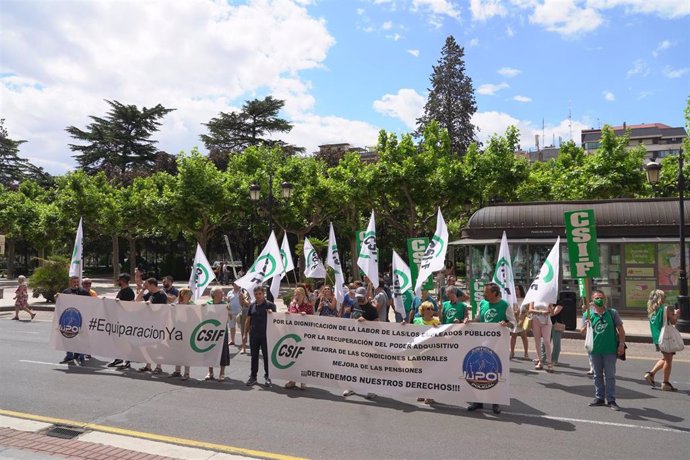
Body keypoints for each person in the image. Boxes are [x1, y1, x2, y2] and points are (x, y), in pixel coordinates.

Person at [466, 282, 515, 414]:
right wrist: (469, 321)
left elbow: (514, 323)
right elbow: (478, 318)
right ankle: (478, 401)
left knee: (495, 372)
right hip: (481, 344)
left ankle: (495, 402)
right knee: (478, 372)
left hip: (497, 345)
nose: (484, 294)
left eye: (486, 292)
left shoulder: (504, 305)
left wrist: (506, 323)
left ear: (494, 293)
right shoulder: (482, 304)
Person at [581, 290, 626, 411]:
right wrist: (586, 325)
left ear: (605, 299)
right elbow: (583, 332)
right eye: (597, 298)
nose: (599, 300)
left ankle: (611, 399)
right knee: (597, 375)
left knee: (610, 375)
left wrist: (621, 344)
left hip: (610, 350)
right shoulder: (587, 314)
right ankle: (599, 397)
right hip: (594, 350)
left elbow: (621, 330)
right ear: (592, 300)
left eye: (601, 297)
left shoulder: (612, 313)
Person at [343, 286, 379, 399]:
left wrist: (366, 321)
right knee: (352, 364)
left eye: (361, 298)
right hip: (354, 339)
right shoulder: (355, 304)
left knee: (367, 365)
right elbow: (350, 313)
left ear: (366, 296)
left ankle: (370, 389)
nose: (359, 300)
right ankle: (351, 387)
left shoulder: (372, 309)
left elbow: (377, 324)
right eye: (358, 297)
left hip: (367, 341)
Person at [644, 289, 681, 391]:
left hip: (657, 339)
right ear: (659, 298)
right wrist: (676, 314)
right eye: (664, 296)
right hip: (666, 338)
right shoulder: (665, 309)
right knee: (669, 361)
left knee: (665, 358)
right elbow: (673, 321)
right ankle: (665, 383)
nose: (665, 298)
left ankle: (651, 374)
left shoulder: (651, 310)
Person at [244, 285, 276, 387]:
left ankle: (268, 377)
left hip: (266, 336)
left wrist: (272, 314)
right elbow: (248, 320)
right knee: (254, 357)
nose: (258, 296)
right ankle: (253, 377)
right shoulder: (252, 305)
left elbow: (277, 320)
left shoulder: (270, 305)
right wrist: (245, 334)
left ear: (263, 294)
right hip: (254, 335)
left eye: (260, 294)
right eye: (256, 294)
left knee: (266, 357)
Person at [285, 287, 313, 389]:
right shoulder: (292, 305)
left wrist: (306, 316)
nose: (296, 296)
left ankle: (303, 381)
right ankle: (292, 380)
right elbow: (288, 317)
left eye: (298, 294)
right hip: (293, 336)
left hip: (304, 336)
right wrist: (287, 315)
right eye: (295, 294)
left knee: (303, 359)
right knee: (292, 358)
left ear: (303, 296)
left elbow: (312, 320)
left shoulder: (308, 306)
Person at [136, 278, 167, 374]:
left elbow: (160, 309)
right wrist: (143, 290)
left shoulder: (161, 294)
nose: (146, 287)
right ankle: (148, 365)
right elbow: (137, 300)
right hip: (149, 323)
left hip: (158, 323)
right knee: (147, 345)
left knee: (157, 345)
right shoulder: (150, 294)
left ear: (152, 285)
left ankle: (158, 366)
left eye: (147, 285)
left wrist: (151, 304)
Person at [58, 276, 90, 365]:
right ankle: (69, 356)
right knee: (68, 337)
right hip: (69, 318)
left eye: (77, 281)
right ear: (70, 282)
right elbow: (60, 303)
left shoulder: (83, 292)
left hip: (80, 319)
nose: (76, 283)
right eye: (74, 281)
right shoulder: (66, 291)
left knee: (80, 338)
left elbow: (91, 303)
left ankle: (81, 357)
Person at [108, 273, 135, 369]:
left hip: (125, 320)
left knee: (125, 341)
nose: (117, 281)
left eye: (119, 279)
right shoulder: (122, 290)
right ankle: (118, 358)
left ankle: (127, 360)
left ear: (123, 281)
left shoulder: (129, 292)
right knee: (118, 340)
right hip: (118, 319)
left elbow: (131, 306)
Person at [205, 286, 231, 382]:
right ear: (214, 295)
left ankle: (222, 373)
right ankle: (210, 372)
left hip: (222, 331)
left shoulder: (225, 304)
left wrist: (228, 311)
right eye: (220, 292)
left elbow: (230, 318)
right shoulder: (208, 304)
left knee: (223, 351)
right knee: (210, 350)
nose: (222, 294)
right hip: (210, 331)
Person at [170, 288, 194, 380]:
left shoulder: (192, 305)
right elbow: (169, 310)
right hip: (177, 331)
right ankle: (177, 370)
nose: (189, 296)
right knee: (177, 351)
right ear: (183, 295)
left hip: (187, 331)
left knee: (186, 352)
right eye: (187, 294)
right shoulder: (176, 305)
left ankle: (187, 373)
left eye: (190, 295)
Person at [528, 300, 554, 372]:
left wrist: (550, 309)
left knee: (546, 341)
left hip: (546, 321)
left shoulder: (548, 297)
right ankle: (540, 361)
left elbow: (552, 312)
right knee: (537, 341)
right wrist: (541, 312)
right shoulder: (534, 297)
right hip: (535, 320)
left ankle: (549, 362)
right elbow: (530, 309)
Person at [510, 285, 529, 360]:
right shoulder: (512, 299)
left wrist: (523, 312)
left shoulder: (525, 299)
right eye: (515, 289)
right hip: (514, 319)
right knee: (513, 336)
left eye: (517, 289)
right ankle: (512, 352)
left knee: (524, 336)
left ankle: (526, 352)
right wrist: (513, 312)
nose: (516, 291)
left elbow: (528, 309)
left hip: (522, 319)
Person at [226, 283, 247, 347]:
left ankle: (243, 342)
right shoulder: (230, 292)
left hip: (240, 313)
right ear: (233, 285)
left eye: (238, 284)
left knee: (242, 328)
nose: (237, 285)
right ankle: (232, 340)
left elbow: (245, 302)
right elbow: (228, 302)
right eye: (235, 284)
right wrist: (227, 300)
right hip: (231, 313)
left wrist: (242, 297)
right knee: (232, 327)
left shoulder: (243, 292)